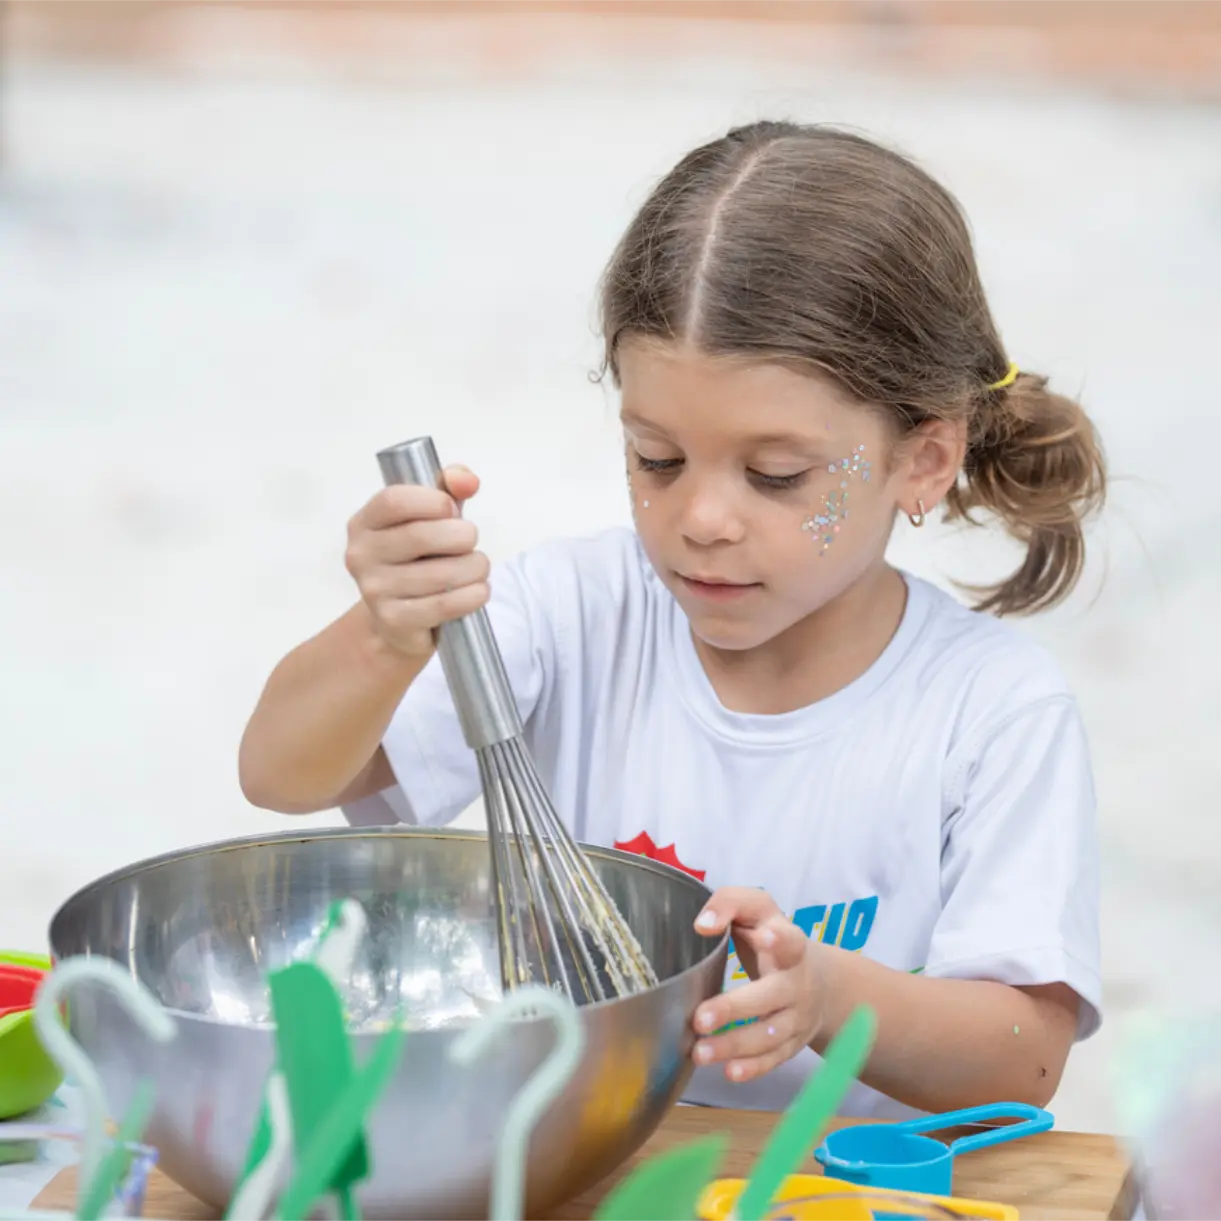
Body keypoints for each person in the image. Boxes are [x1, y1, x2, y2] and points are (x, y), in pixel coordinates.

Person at [239, 120, 1106, 1120]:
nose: (701, 518)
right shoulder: (570, 614)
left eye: (775, 474)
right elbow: (281, 775)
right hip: (597, 1167)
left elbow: (1022, 1059)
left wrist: (829, 998)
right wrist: (382, 635)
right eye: (657, 458)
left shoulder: (991, 712)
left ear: (923, 460)